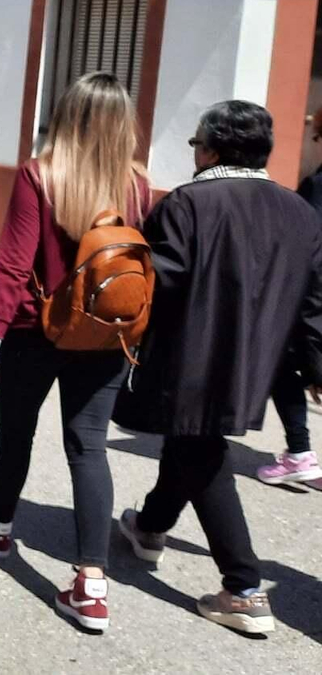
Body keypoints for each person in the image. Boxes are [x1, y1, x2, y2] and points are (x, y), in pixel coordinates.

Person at [113, 101, 322, 636]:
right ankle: (151, 527)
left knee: (202, 453)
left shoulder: (188, 203)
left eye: (196, 144)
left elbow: (156, 284)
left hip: (191, 359)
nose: (194, 154)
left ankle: (244, 589)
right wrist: (316, 366)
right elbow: (314, 301)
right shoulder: (300, 211)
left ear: (211, 148)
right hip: (259, 364)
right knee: (190, 447)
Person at [0, 72, 150, 633]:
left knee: (15, 431)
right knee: (89, 448)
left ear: (68, 116)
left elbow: (14, 265)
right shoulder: (138, 186)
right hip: (104, 335)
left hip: (33, 331)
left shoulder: (39, 177)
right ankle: (91, 586)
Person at [262, 107, 322, 487]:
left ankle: (300, 452)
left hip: (310, 293)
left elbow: (310, 243)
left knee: (281, 362)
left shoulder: (319, 186)